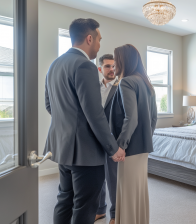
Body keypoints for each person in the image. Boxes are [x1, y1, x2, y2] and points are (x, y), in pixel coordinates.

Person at [43, 18, 125, 224]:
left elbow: (49, 105)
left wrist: (69, 125)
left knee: (64, 199)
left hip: (62, 147)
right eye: (99, 39)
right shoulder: (85, 66)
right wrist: (113, 148)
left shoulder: (55, 64)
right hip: (85, 153)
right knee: (85, 205)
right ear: (89, 38)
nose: (99, 45)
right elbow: (94, 113)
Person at [109, 44, 158, 224]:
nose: (114, 64)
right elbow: (154, 118)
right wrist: (145, 138)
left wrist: (121, 145)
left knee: (127, 191)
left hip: (129, 148)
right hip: (142, 147)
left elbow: (131, 118)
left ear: (123, 60)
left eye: (115, 60)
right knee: (138, 190)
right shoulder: (146, 83)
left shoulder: (127, 81)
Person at [95, 54, 119, 224]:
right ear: (100, 69)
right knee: (97, 177)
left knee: (113, 179)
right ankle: (100, 209)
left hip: (113, 140)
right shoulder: (94, 88)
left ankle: (116, 214)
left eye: (114, 66)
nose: (112, 69)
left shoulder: (121, 87)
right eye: (108, 66)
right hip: (95, 139)